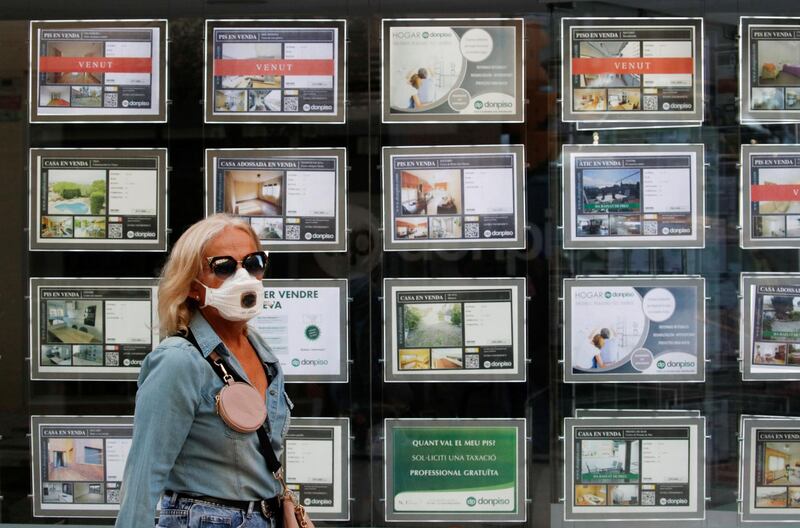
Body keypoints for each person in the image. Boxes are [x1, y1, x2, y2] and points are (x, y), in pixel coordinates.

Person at [115, 214, 291, 528]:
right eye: (223, 267)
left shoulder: (262, 353)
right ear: (192, 286)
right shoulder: (178, 361)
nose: (244, 276)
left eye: (253, 262)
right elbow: (144, 475)